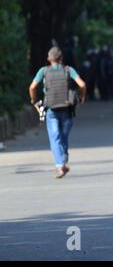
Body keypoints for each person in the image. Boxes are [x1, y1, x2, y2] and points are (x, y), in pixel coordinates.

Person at [28, 46, 86, 178]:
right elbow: (82, 85)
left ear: (48, 59)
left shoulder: (43, 71)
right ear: (62, 59)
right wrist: (82, 97)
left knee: (55, 137)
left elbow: (32, 87)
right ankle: (63, 160)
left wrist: (34, 101)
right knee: (63, 137)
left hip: (51, 109)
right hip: (67, 109)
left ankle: (60, 165)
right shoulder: (68, 70)